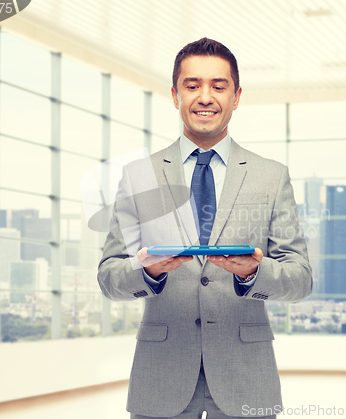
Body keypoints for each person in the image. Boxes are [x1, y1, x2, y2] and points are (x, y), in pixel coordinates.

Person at [97, 38, 312, 419]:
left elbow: (300, 279)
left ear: (237, 95)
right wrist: (146, 271)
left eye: (219, 85)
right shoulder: (140, 176)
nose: (205, 97)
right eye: (192, 85)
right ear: (175, 95)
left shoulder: (271, 176)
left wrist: (254, 272)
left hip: (246, 374)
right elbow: (109, 276)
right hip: (161, 374)